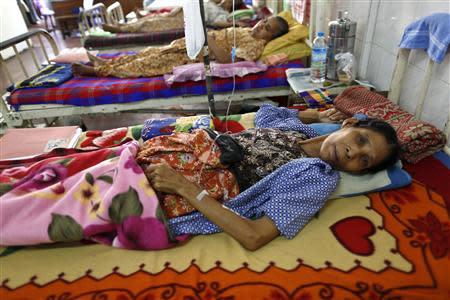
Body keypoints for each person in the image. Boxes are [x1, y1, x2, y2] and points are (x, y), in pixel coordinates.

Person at [139, 104, 400, 251]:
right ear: (349, 124)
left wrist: (183, 187)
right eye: (360, 140)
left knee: (104, 197)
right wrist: (317, 115)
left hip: (180, 183)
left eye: (364, 160)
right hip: (174, 149)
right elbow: (267, 112)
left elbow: (255, 236)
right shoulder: (297, 131)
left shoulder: (318, 177)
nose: (352, 152)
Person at [72, 16, 289, 78]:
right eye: (264, 21)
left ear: (271, 37)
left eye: (267, 28)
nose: (261, 26)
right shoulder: (246, 30)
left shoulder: (254, 46)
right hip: (189, 44)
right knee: (147, 52)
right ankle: (106, 62)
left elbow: (227, 60)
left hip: (194, 56)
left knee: (145, 64)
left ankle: (96, 71)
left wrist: (208, 38)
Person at [103, 0, 244, 34]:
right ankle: (121, 25)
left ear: (231, 5)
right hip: (182, 12)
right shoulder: (214, 4)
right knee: (152, 18)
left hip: (187, 21)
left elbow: (217, 23)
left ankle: (122, 30)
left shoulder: (223, 14)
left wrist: (235, 24)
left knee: (152, 23)